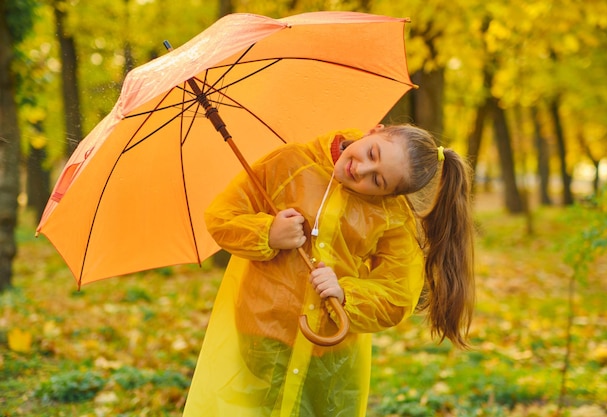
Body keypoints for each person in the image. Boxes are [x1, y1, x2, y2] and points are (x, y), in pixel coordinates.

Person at [182, 124, 475, 417]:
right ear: (375, 130)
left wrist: (345, 294)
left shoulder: (392, 216)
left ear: (389, 194)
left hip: (329, 353)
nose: (361, 170)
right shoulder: (290, 163)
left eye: (377, 180)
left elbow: (397, 295)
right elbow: (222, 216)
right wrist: (269, 232)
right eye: (372, 152)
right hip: (262, 333)